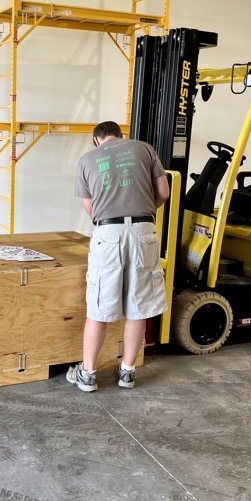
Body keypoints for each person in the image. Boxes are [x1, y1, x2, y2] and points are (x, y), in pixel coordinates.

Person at [67, 121, 170, 392]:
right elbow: (163, 193)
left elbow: (91, 209)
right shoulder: (144, 149)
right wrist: (142, 212)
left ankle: (88, 374)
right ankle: (128, 372)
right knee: (138, 305)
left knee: (99, 306)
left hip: (108, 231)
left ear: (96, 140)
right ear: (121, 136)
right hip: (143, 229)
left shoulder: (88, 159)